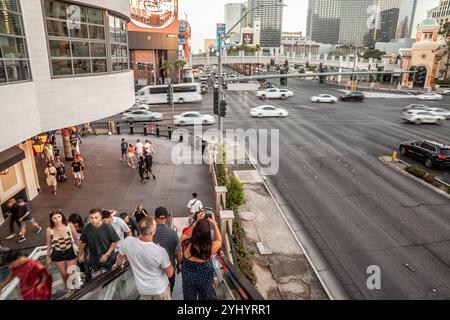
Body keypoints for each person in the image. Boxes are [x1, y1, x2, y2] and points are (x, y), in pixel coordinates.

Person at [114, 217, 173, 300]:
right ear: (153, 232)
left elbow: (119, 258)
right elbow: (170, 273)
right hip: (160, 289)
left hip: (143, 290)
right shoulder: (160, 251)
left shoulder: (127, 241)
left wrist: (118, 265)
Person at [179, 212, 222, 300]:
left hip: (188, 278)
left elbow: (185, 235)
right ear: (208, 234)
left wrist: (196, 222)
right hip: (205, 278)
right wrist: (214, 223)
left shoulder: (186, 244)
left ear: (195, 231)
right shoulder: (210, 249)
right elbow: (219, 240)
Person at [77, 208, 120, 279]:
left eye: (96, 218)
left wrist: (107, 254)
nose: (93, 220)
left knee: (108, 279)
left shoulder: (108, 227)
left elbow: (114, 241)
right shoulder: (86, 228)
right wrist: (79, 254)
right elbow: (83, 243)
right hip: (94, 261)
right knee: (96, 281)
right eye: (91, 218)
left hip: (108, 260)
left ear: (100, 217)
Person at [45, 209, 80, 294]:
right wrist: (48, 256)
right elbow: (49, 244)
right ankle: (69, 288)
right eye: (54, 218)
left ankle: (73, 291)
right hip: (57, 253)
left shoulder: (69, 225)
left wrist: (80, 252)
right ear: (51, 220)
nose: (57, 220)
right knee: (64, 275)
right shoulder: (49, 230)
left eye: (59, 217)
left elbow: (76, 239)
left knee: (70, 274)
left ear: (62, 217)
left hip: (70, 251)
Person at [153, 207, 182, 295]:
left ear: (155, 218)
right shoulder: (172, 233)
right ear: (167, 217)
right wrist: (179, 264)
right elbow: (178, 252)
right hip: (169, 267)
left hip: (154, 268)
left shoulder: (150, 233)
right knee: (169, 291)